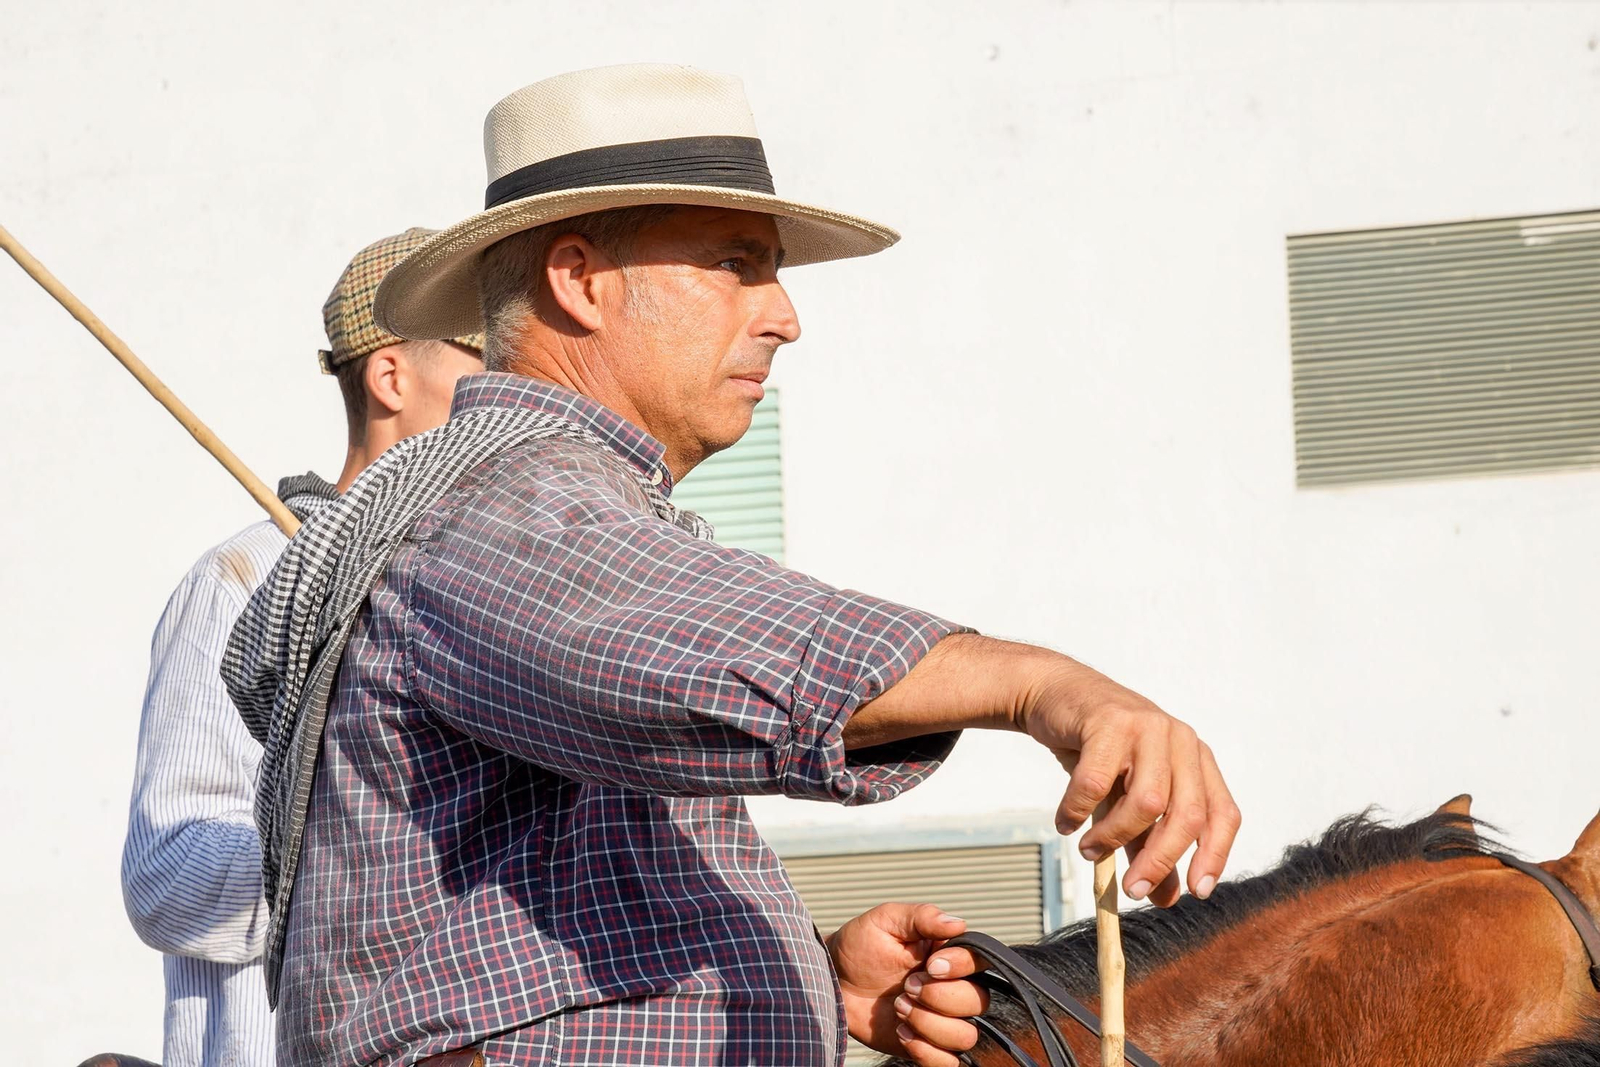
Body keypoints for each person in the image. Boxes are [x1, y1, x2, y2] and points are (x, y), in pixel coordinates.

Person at [223, 65, 1241, 1067]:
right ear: (579, 279)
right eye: (734, 263)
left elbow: (528, 923)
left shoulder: (526, 511)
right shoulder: (503, 507)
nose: (781, 314)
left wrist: (803, 970)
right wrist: (1042, 685)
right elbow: (669, 647)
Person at [120, 228, 485, 1067]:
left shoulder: (487, 590)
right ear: (391, 375)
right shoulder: (245, 581)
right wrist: (363, 823)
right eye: (484, 364)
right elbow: (165, 879)